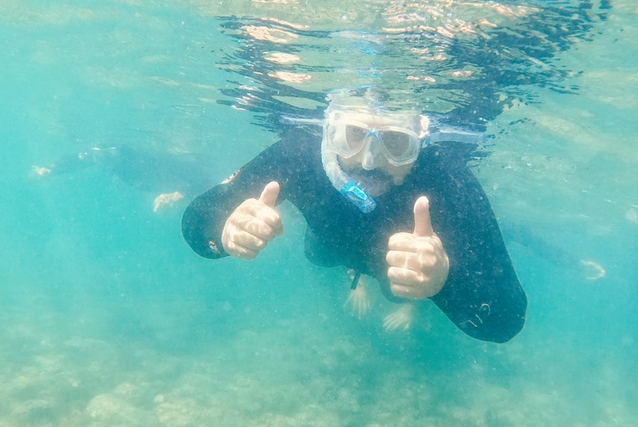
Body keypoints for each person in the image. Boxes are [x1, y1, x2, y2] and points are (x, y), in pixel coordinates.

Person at [181, 90, 527, 343]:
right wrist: (224, 232)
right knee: (318, 257)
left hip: (392, 267)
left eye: (395, 141)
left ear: (420, 142)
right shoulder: (299, 153)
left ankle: (393, 278)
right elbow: (197, 223)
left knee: (401, 287)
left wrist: (444, 281)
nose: (368, 161)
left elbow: (506, 319)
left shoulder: (446, 176)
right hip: (328, 245)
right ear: (329, 132)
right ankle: (356, 273)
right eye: (354, 135)